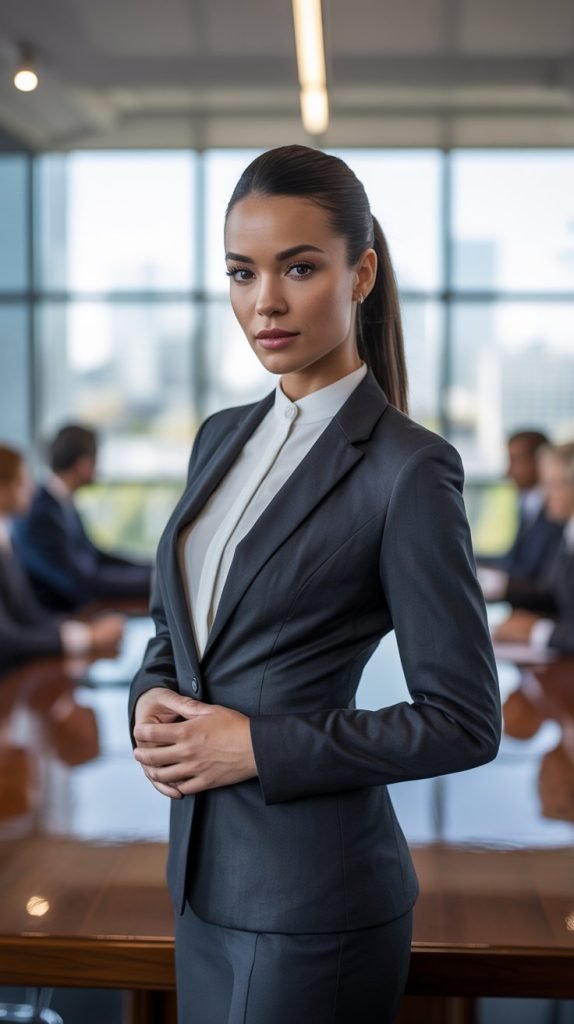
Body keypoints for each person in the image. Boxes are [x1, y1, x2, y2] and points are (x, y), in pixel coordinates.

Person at [128, 145, 501, 1024]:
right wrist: (150, 699)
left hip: (311, 911)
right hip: (200, 884)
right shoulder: (219, 437)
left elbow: (464, 720)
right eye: (241, 272)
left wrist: (258, 746)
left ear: (360, 271)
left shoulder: (410, 470)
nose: (266, 302)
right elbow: (174, 631)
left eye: (299, 268)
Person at [0, 444, 124, 676]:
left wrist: (81, 628)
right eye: (23, 480)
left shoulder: (7, 538)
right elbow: (5, 640)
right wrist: (87, 638)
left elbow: (29, 614)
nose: (31, 488)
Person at [11, 424, 153, 612]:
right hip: (60, 618)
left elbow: (96, 555)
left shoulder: (59, 502)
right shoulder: (40, 514)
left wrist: (154, 567)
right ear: (84, 464)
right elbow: (82, 582)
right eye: (96, 461)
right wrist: (155, 580)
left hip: (80, 607)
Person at [494, 441, 574, 655]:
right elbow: (550, 595)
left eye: (553, 484)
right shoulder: (566, 534)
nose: (545, 495)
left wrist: (538, 630)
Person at [477, 430, 563, 583]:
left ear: (541, 461)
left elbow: (539, 576)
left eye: (516, 461)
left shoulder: (558, 510)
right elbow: (514, 559)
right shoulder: (527, 504)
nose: (508, 472)